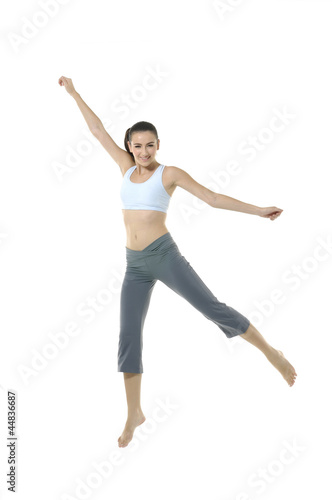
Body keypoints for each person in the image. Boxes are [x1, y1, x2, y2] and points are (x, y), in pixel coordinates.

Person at [58, 76, 297, 448]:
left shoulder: (169, 174)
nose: (143, 151)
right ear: (129, 146)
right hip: (134, 265)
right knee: (128, 334)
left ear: (158, 145)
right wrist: (74, 93)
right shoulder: (124, 168)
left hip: (164, 256)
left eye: (149, 145)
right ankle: (134, 413)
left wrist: (258, 210)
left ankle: (272, 353)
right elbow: (96, 130)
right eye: (137, 145)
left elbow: (212, 198)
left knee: (212, 308)